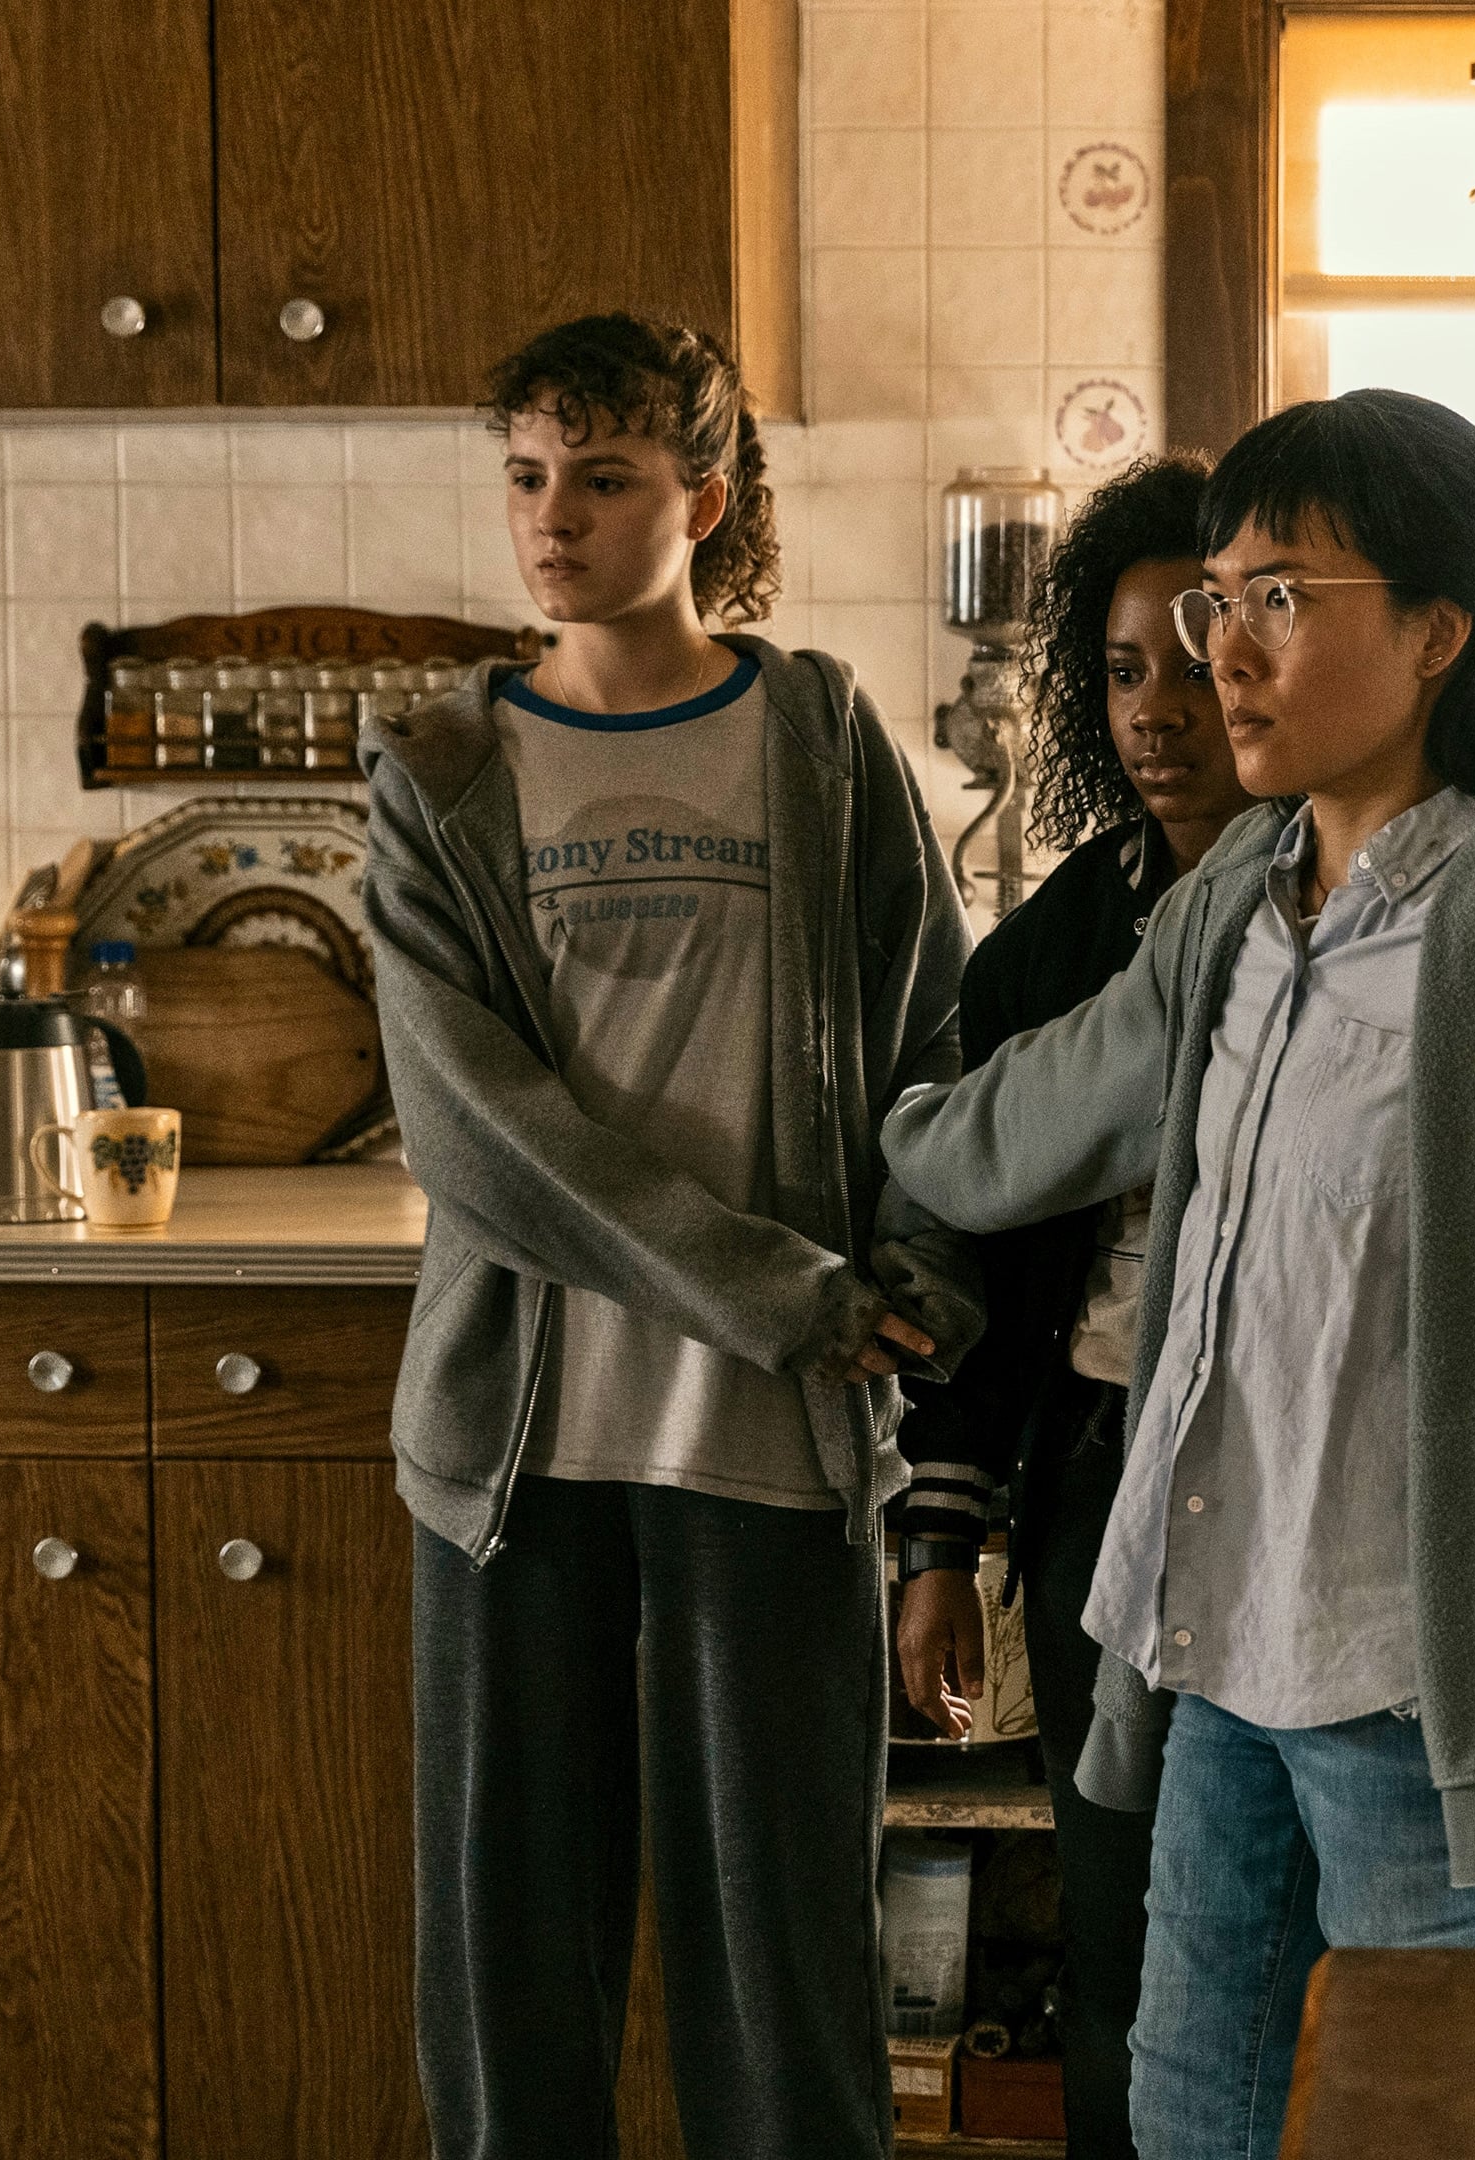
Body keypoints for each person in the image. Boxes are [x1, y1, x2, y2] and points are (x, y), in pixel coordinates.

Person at [876, 388, 1475, 2160]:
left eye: (1284, 598)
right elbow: (1028, 1121)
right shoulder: (1239, 900)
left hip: (1428, 1693)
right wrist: (839, 1160)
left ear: (1436, 632)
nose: (1226, 653)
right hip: (1217, 1653)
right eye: (1219, 600)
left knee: (1442, 2128)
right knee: (1193, 2121)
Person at [363, 311, 979, 2159]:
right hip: (518, 1453)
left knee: (784, 1975)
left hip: (772, 1441)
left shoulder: (816, 737)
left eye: (605, 478)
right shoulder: (446, 769)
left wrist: (920, 1272)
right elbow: (473, 1129)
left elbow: (931, 1042)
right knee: (512, 1979)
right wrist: (776, 1291)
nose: (552, 519)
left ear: (702, 502)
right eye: (528, 476)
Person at [887, 455, 1260, 2160]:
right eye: (1119, 672)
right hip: (1103, 1469)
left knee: (1301, 1942)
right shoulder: (1051, 947)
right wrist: (940, 1542)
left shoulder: (1363, 911)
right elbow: (971, 1255)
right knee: (1124, 1929)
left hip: (1296, 1464)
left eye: (1196, 663)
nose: (1158, 711)